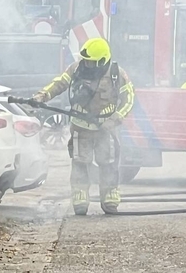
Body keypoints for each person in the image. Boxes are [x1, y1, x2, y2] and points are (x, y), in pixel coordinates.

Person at [32, 37, 135, 215]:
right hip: (81, 127)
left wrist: (115, 119)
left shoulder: (117, 74)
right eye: (85, 60)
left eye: (91, 62)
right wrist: (42, 96)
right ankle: (80, 197)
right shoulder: (77, 68)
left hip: (106, 128)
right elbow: (60, 83)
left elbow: (129, 99)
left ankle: (109, 196)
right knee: (80, 162)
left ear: (103, 60)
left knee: (109, 162)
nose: (87, 64)